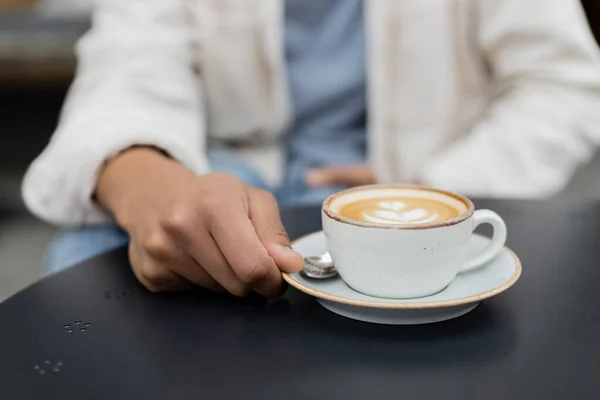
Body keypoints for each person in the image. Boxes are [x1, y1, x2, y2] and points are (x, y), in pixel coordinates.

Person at [23, 0, 600, 296]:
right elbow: (126, 72)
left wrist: (430, 186)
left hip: (404, 186)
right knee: (88, 261)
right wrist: (150, 188)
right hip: (223, 175)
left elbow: (565, 85)